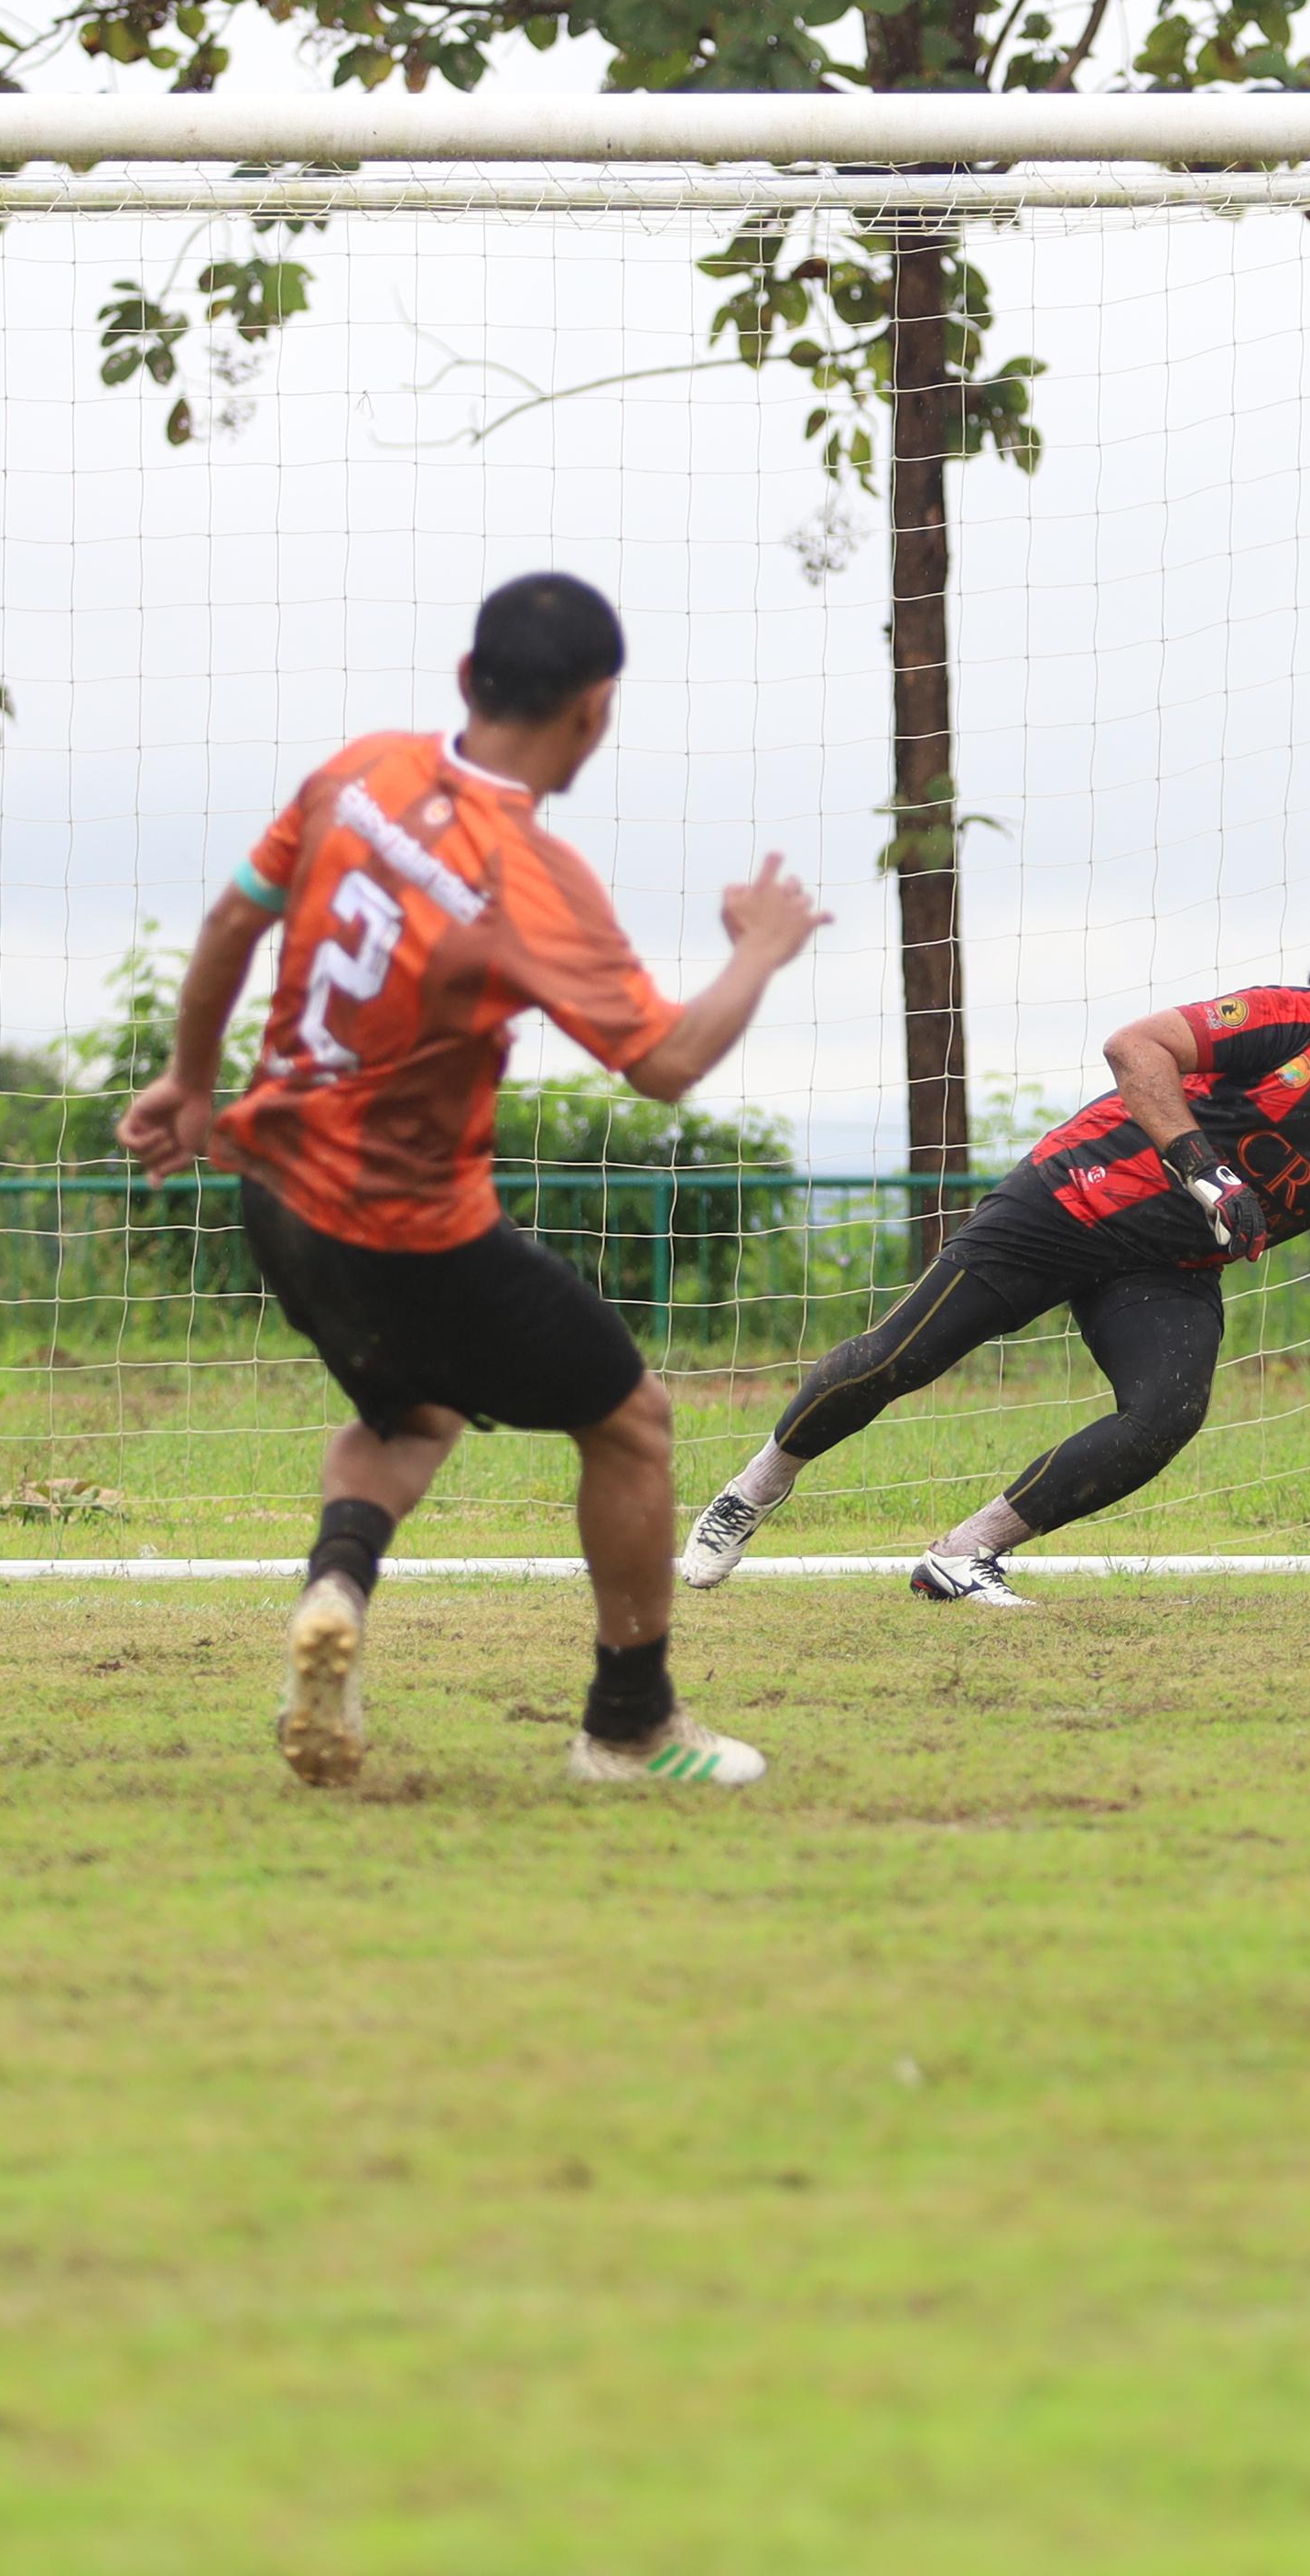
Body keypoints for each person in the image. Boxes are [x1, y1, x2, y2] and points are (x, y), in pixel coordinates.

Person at [121, 570, 823, 1787]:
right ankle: (630, 1725)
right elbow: (666, 1062)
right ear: (596, 711)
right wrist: (760, 952)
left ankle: (334, 1592)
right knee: (635, 1425)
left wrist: (189, 1085)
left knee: (414, 1414)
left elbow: (235, 923)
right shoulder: (529, 878)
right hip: (406, 1228)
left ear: (465, 679)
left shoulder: (361, 773)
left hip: (272, 1189)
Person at [677, 892, 1310, 1603]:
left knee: (1167, 1412)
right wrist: (1206, 1170)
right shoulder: (1291, 1020)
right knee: (900, 1358)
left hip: (1165, 1266)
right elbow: (1135, 1046)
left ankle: (964, 1553)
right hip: (1065, 1202)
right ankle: (753, 1489)